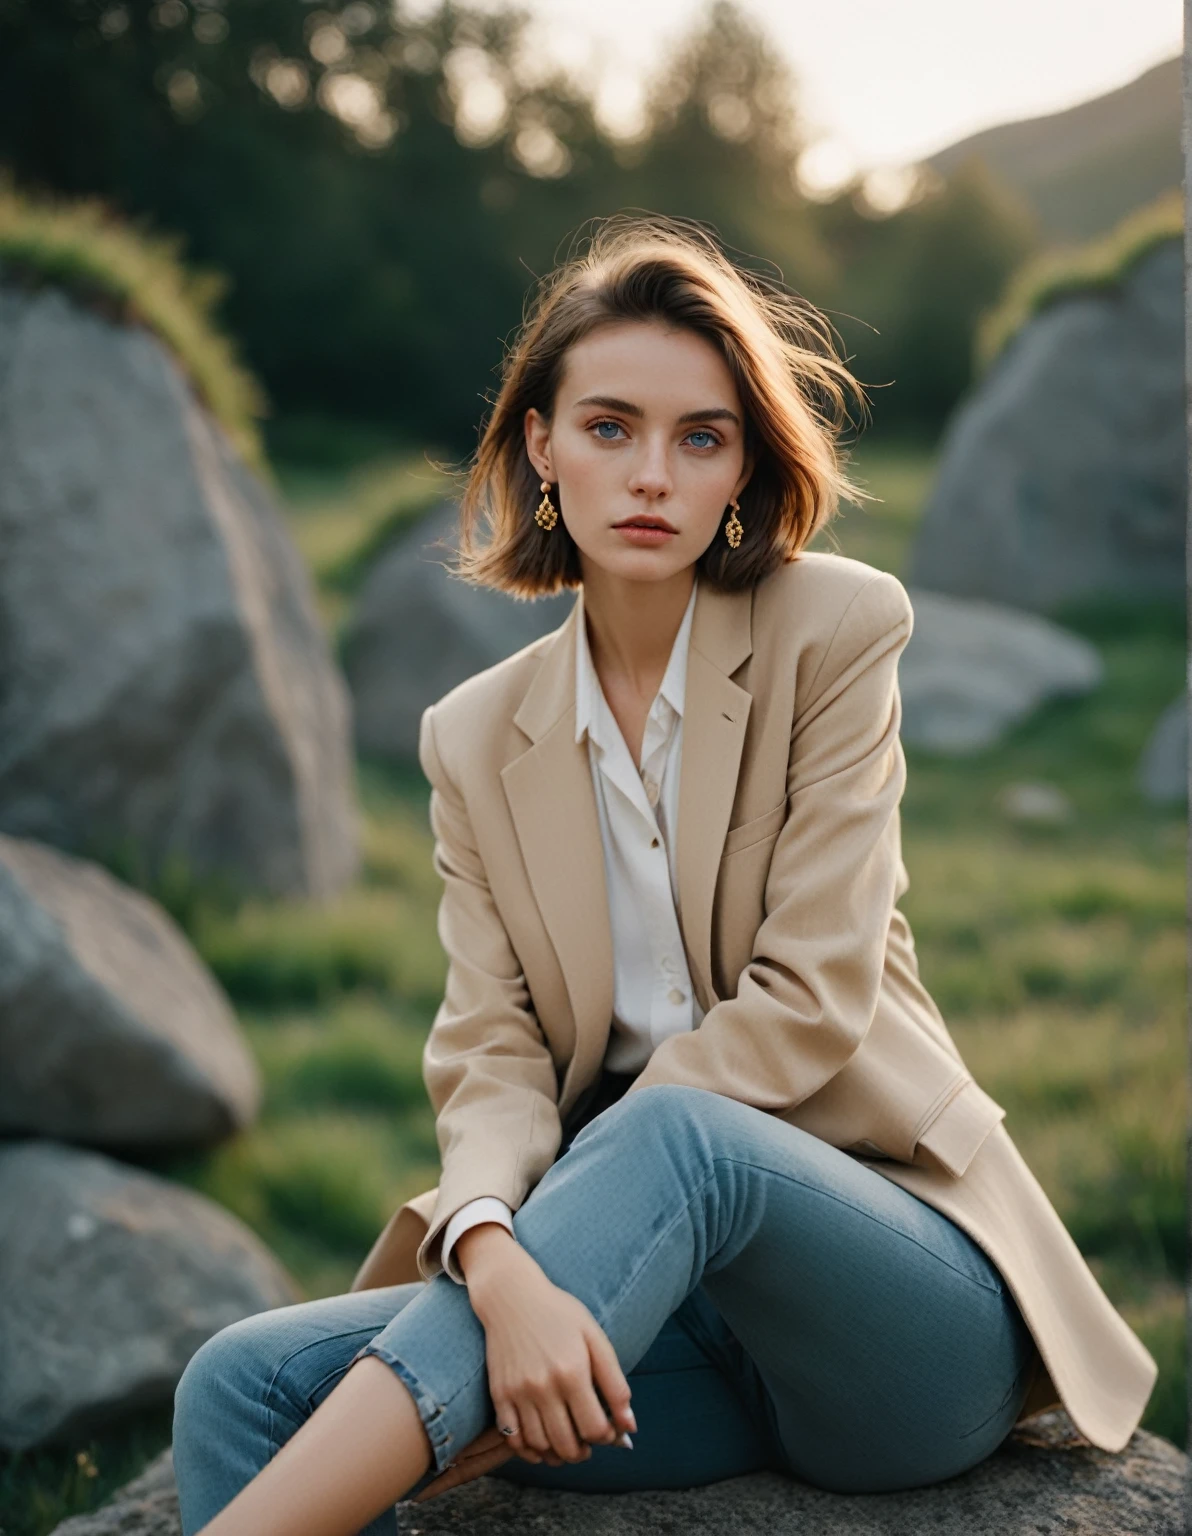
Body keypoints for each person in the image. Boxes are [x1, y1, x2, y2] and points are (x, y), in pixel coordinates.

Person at [171, 214, 1156, 1536]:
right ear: (541, 444)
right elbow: (490, 1057)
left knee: (679, 1133)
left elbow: (811, 1001)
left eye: (701, 437)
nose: (652, 475)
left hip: (897, 1324)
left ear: (744, 465)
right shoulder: (472, 737)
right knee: (234, 1383)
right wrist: (497, 1261)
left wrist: (566, 1214)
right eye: (609, 427)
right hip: (665, 1333)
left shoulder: (839, 633)